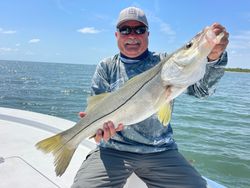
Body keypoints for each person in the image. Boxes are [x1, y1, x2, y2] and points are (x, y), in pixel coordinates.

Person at [72, 7, 229, 188]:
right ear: (117, 35)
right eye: (125, 30)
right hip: (113, 150)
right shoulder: (106, 66)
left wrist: (214, 57)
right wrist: (98, 132)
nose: (132, 36)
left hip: (161, 151)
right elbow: (96, 109)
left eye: (139, 30)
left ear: (148, 34)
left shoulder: (163, 61)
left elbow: (202, 91)